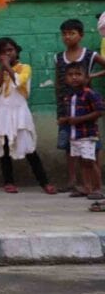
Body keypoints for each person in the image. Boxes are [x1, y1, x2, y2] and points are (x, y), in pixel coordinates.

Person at [0, 38, 55, 194]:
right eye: (3, 52)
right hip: (2, 112)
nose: (7, 54)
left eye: (10, 50)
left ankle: (44, 182)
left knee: (29, 147)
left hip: (19, 112)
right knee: (4, 147)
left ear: (16, 51)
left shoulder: (25, 68)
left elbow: (19, 82)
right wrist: (3, 69)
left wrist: (7, 67)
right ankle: (8, 181)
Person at [53, 19, 105, 195]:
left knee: (91, 150)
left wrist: (93, 75)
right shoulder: (59, 57)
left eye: (72, 33)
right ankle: (74, 182)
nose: (68, 37)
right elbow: (58, 85)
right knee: (70, 146)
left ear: (80, 35)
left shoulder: (89, 55)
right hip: (67, 109)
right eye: (65, 33)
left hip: (85, 109)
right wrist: (60, 110)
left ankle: (96, 185)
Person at [59, 62, 104, 202]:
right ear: (66, 78)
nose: (74, 78)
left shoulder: (90, 94)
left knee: (90, 161)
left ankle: (97, 188)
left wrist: (79, 119)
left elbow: (100, 111)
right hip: (75, 135)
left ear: (86, 78)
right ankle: (86, 187)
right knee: (81, 161)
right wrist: (65, 120)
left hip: (87, 135)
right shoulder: (69, 96)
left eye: (78, 74)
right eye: (71, 75)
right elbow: (71, 115)